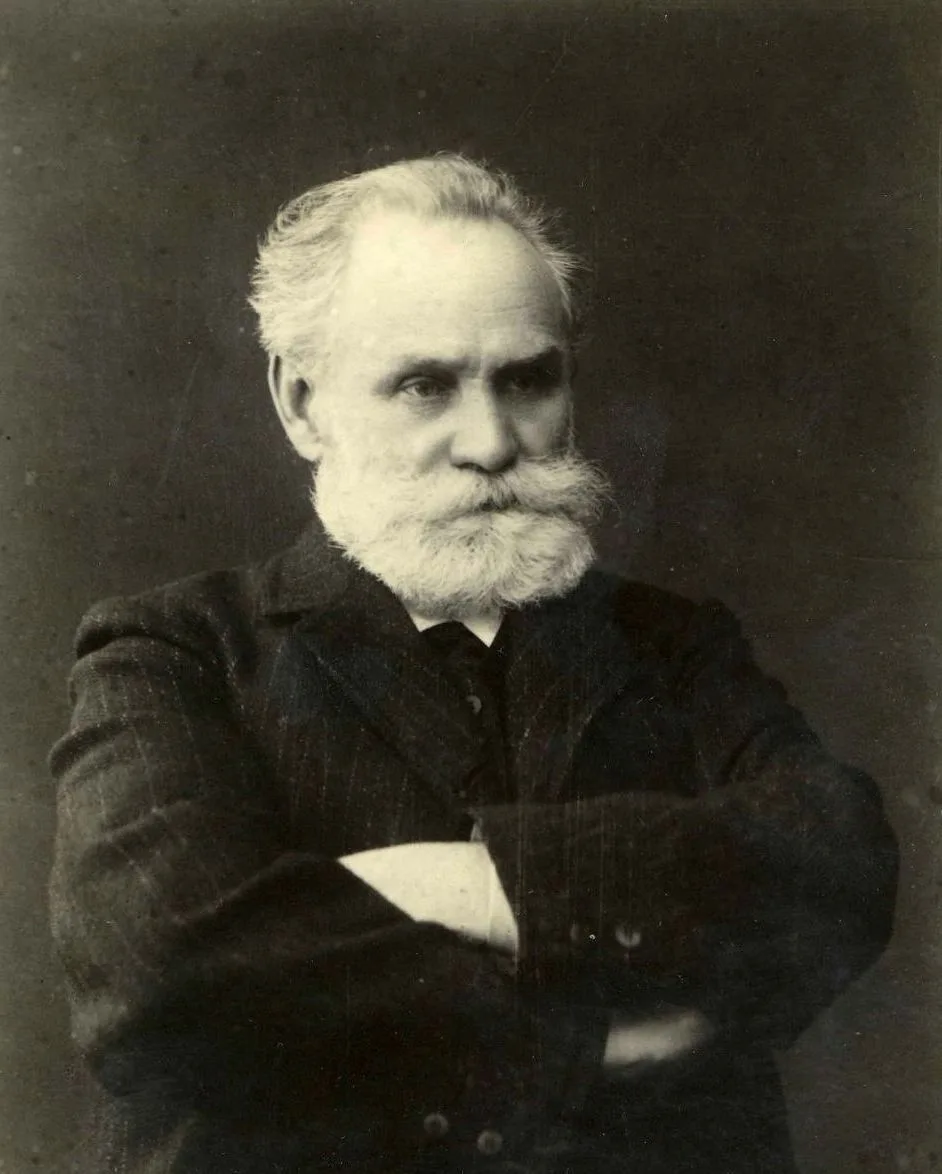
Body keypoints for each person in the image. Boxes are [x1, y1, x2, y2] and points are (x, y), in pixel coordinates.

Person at [49, 154, 898, 1174]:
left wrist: (481, 885)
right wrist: (573, 1044)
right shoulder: (175, 650)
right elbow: (161, 967)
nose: (492, 442)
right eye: (425, 385)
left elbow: (840, 864)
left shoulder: (674, 646)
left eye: (528, 380)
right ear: (303, 403)